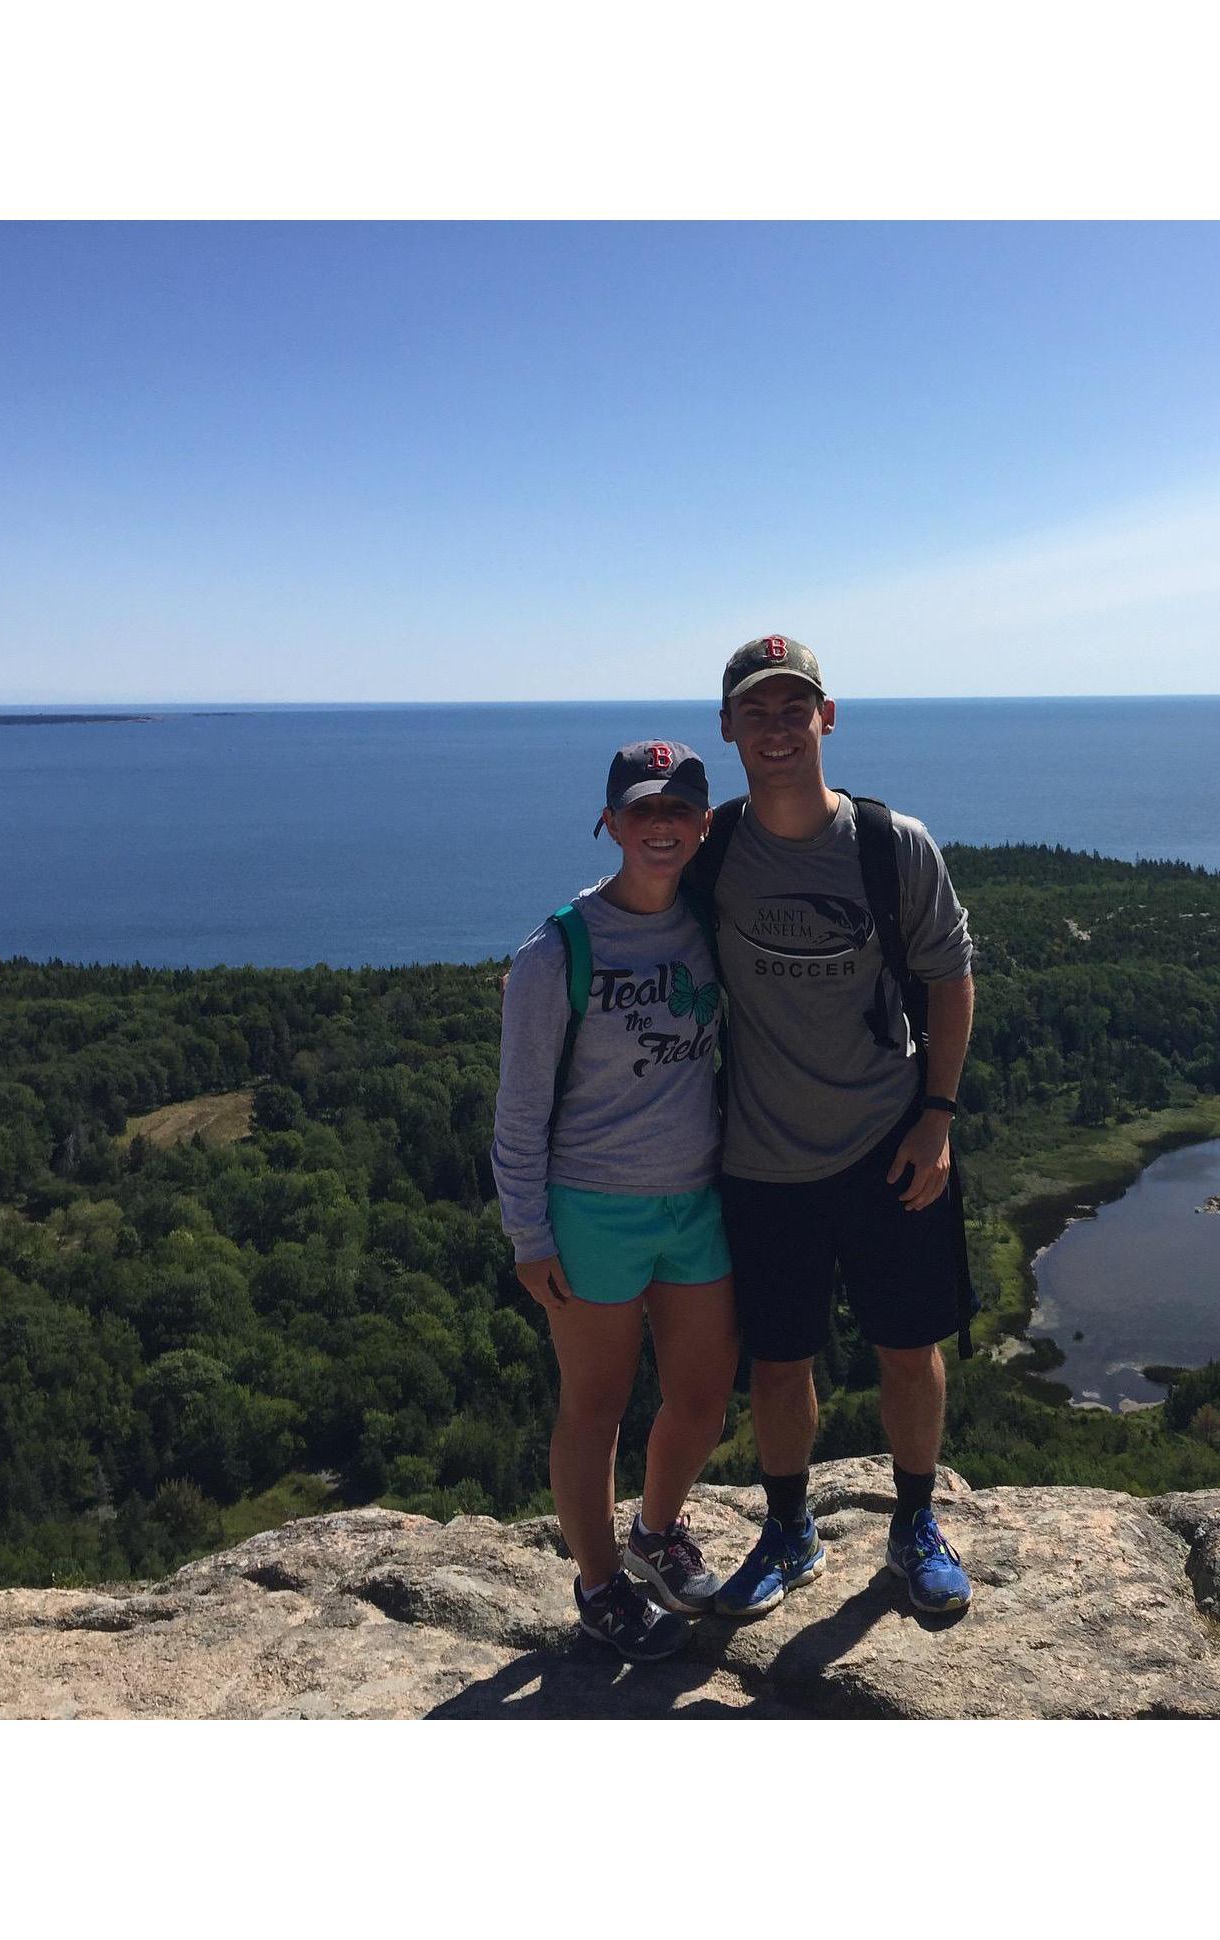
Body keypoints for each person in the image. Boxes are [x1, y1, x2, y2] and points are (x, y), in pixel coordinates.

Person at [691, 634, 978, 1618]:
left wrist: (935, 1118)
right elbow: (635, 922)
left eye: (792, 705)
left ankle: (912, 1521)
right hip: (762, 1156)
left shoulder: (891, 846)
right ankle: (788, 1528)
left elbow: (949, 979)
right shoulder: (713, 851)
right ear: (727, 727)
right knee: (779, 1359)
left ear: (827, 715)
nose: (776, 726)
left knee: (908, 1344)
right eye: (755, 710)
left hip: (888, 1143)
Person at [491, 739, 740, 1662]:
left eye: (679, 809)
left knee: (703, 1396)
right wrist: (529, 1233)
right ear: (610, 823)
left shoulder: (712, 926)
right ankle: (598, 1588)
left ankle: (655, 1535)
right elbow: (517, 1111)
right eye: (642, 811)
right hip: (592, 1209)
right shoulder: (557, 952)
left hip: (695, 1202)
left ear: (705, 823)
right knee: (594, 1410)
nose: (662, 825)